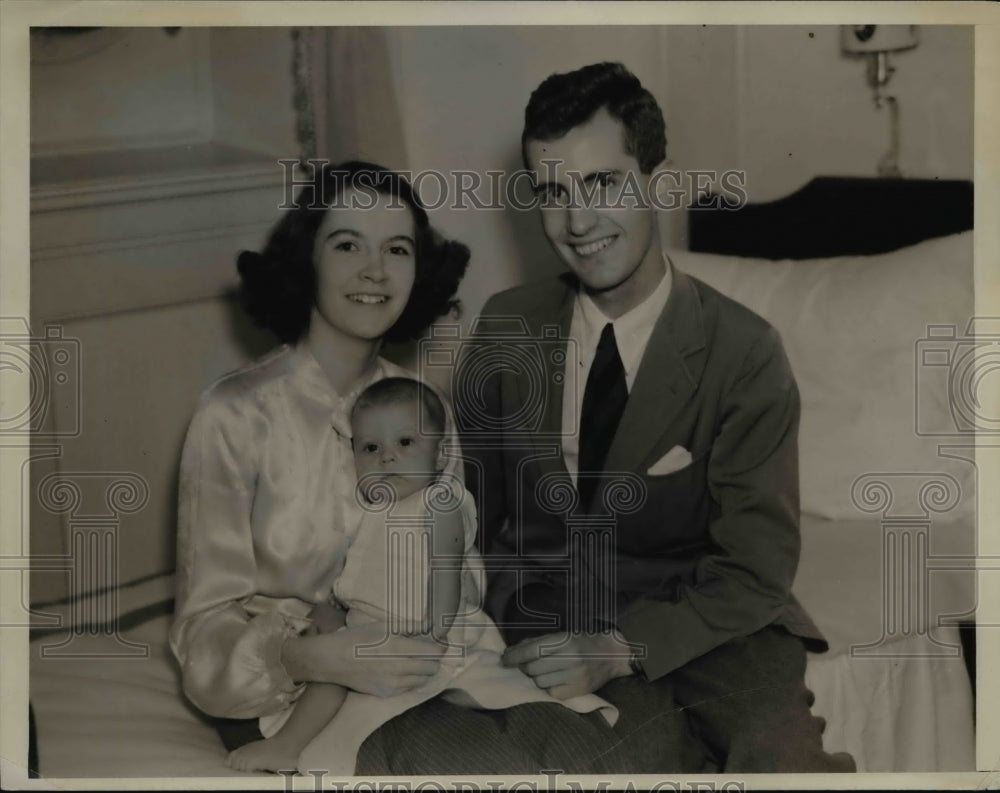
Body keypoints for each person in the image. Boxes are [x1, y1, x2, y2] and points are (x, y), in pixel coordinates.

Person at [169, 160, 662, 776]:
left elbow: (456, 565)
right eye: (347, 244)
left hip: (428, 654)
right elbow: (202, 629)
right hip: (291, 692)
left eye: (397, 249)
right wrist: (311, 658)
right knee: (484, 762)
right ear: (306, 261)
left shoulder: (426, 409)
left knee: (592, 741)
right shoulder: (234, 412)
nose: (375, 270)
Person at [459, 62, 857, 773]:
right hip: (552, 607)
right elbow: (470, 513)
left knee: (781, 758)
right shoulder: (505, 325)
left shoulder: (745, 351)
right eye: (554, 192)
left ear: (658, 185)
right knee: (603, 757)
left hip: (711, 617)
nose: (578, 222)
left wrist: (618, 649)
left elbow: (754, 570)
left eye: (603, 183)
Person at [225, 377, 613, 774]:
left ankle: (302, 744)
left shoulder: (439, 504)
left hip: (431, 629)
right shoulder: (371, 513)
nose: (387, 457)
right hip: (373, 628)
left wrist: (435, 630)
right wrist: (331, 609)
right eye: (371, 448)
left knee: (478, 697)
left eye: (405, 442)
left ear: (441, 455)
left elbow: (446, 572)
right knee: (331, 675)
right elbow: (361, 575)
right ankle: (289, 745)